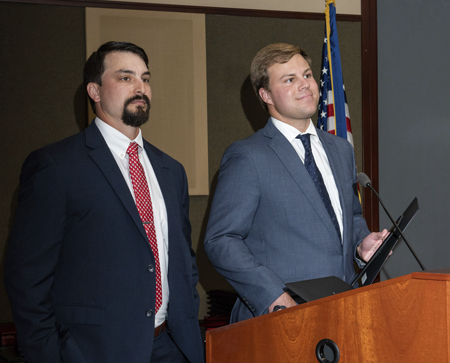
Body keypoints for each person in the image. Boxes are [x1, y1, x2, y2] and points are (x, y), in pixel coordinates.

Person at [5, 41, 204, 363]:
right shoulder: (56, 166)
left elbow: (182, 259)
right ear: (95, 91)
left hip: (173, 346)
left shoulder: (171, 170)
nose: (141, 87)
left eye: (146, 78)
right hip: (94, 350)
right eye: (126, 78)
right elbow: (27, 277)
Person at [204, 43, 389, 323]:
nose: (306, 85)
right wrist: (272, 295)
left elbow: (348, 217)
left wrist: (361, 244)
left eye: (307, 75)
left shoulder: (340, 150)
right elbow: (221, 240)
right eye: (290, 79)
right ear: (266, 94)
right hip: (280, 317)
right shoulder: (248, 156)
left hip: (343, 309)